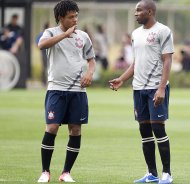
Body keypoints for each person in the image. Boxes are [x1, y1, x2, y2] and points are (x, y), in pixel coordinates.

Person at [109, 0, 174, 183]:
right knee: (144, 129)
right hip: (138, 88)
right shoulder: (136, 34)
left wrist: (161, 88)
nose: (135, 13)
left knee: (157, 128)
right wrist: (122, 79)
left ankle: (167, 174)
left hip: (156, 87)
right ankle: (152, 174)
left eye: (139, 10)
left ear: (150, 11)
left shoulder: (163, 31)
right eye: (135, 10)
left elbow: (167, 60)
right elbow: (136, 63)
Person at [37, 0, 96, 182]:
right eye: (71, 17)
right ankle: (45, 172)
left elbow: (91, 60)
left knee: (75, 130)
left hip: (78, 92)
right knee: (52, 127)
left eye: (76, 16)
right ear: (60, 18)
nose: (75, 20)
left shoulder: (83, 36)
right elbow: (42, 45)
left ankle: (66, 172)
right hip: (57, 89)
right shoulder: (51, 33)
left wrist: (89, 73)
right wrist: (65, 35)